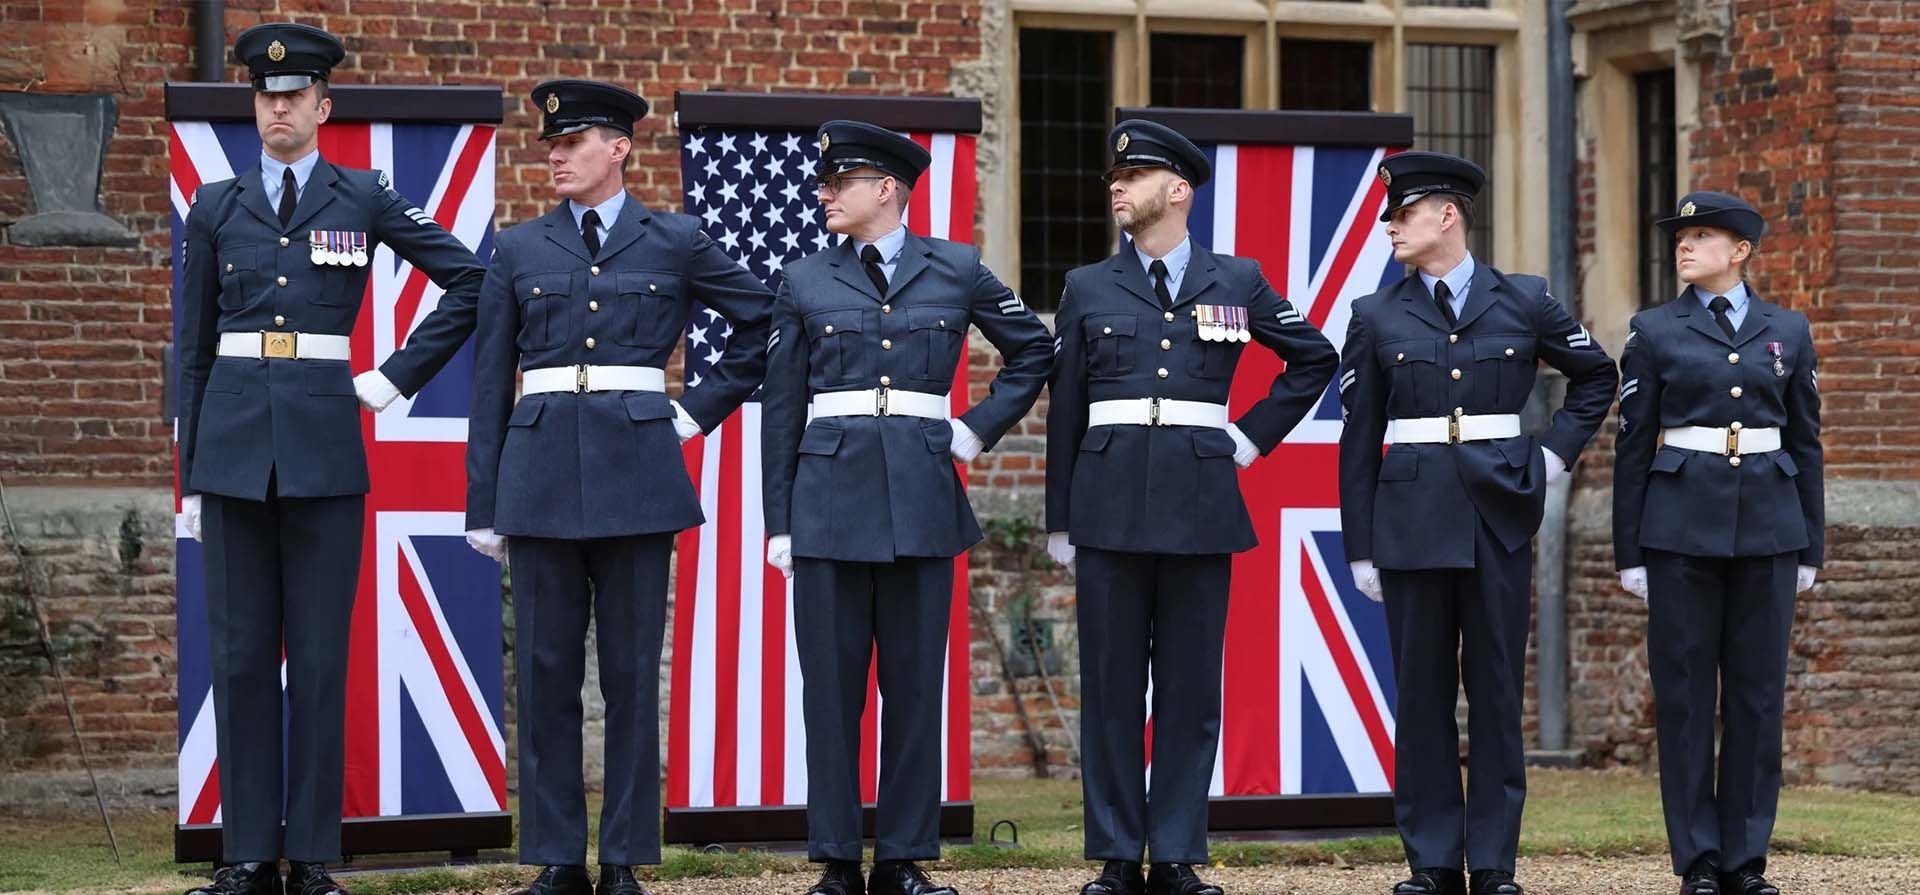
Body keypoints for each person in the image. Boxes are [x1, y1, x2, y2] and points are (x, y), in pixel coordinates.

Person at [173, 22, 488, 895]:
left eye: (294, 95)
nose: (279, 107)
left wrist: (393, 377)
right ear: (255, 105)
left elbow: (471, 280)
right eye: (266, 96)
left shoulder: (363, 196)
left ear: (323, 104)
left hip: (322, 451)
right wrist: (189, 474)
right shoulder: (215, 204)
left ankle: (310, 856)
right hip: (232, 454)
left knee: (317, 656)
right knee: (237, 659)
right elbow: (191, 351)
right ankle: (244, 856)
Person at [462, 80, 773, 895]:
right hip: (538, 478)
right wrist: (482, 500)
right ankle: (559, 857)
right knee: (546, 670)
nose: (556, 156)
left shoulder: (673, 239)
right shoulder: (518, 248)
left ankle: (625, 857)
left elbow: (766, 322)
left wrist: (696, 411)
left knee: (632, 675)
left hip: (638, 473)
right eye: (551, 146)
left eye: (573, 143)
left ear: (620, 148)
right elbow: (490, 379)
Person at [1044, 119, 1338, 895]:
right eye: (1114, 177)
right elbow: (1066, 407)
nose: (1117, 186)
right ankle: (1115, 853)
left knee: (1189, 688)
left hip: (1201, 502)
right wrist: (1059, 519)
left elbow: (1315, 357)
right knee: (1109, 687)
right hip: (1106, 505)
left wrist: (1247, 440)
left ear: (1177, 190)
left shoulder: (1237, 280)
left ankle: (1174, 851)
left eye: (1132, 177)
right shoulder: (1086, 287)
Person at [759, 119, 1052, 895]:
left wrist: (975, 427)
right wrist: (778, 522)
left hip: (923, 498)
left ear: (885, 189)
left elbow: (1034, 348)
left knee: (917, 688)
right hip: (826, 503)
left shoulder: (955, 267)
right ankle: (834, 861)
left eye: (838, 183)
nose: (822, 194)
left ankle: (902, 859)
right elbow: (782, 408)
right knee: (831, 690)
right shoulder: (803, 279)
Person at [1335, 152, 1618, 895]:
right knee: (1422, 695)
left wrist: (1552, 457)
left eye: (1402, 215)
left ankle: (1493, 863)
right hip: (1410, 522)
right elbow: (1358, 438)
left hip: (1497, 516)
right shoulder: (1375, 314)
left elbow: (1598, 375)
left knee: (1495, 692)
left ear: (1447, 215)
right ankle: (1431, 862)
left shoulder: (1523, 299)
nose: (1390, 227)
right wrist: (1360, 544)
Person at [1614, 191, 1822, 895]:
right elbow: (1632, 447)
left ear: (1740, 251)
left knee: (1759, 701)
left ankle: (1745, 859)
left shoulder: (1787, 330)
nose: (1684, 246)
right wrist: (1628, 551)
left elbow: (1807, 442)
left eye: (1701, 235)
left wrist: (1812, 546)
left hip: (1768, 527)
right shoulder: (1653, 330)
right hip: (1678, 529)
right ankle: (1698, 858)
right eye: (1680, 235)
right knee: (1685, 698)